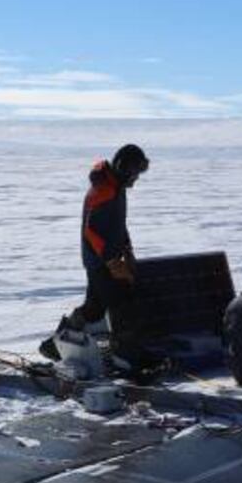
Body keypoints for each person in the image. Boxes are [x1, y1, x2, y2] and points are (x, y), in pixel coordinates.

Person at [40, 144, 151, 364]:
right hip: (100, 261)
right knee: (121, 302)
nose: (136, 179)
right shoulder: (104, 190)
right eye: (135, 173)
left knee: (94, 309)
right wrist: (111, 261)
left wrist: (127, 249)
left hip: (104, 259)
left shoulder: (115, 187)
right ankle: (125, 353)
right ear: (124, 168)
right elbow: (93, 231)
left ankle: (54, 345)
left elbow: (118, 224)